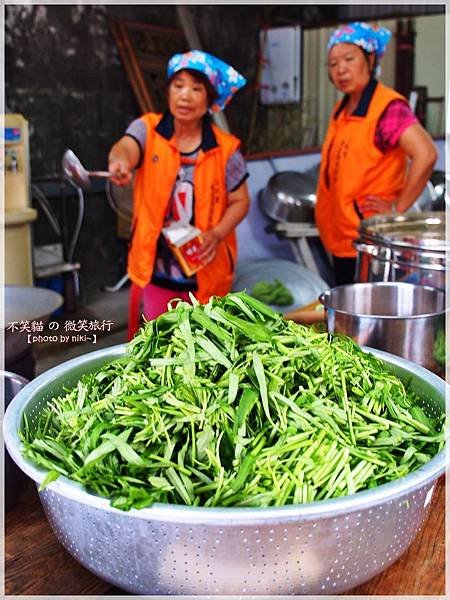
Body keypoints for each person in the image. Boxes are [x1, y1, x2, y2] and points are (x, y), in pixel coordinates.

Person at [108, 50, 250, 337]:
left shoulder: (226, 150)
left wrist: (217, 233)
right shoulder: (148, 129)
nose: (186, 96)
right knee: (156, 345)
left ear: (209, 99)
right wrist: (119, 161)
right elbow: (126, 146)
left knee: (203, 348)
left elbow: (240, 201)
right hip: (157, 269)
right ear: (168, 91)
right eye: (179, 85)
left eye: (197, 89)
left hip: (206, 270)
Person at [315, 22, 438, 286]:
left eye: (349, 59)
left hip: (370, 240)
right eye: (333, 64)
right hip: (342, 236)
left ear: (370, 60)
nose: (341, 70)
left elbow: (426, 154)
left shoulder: (387, 108)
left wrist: (397, 208)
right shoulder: (342, 108)